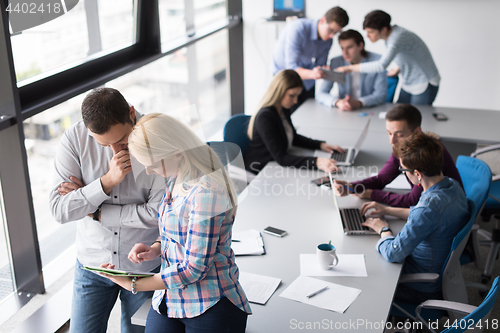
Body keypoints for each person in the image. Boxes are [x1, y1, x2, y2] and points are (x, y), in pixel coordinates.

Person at [100, 113, 251, 333]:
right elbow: (177, 231)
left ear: (178, 153)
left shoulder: (207, 192)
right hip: (171, 296)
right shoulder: (177, 176)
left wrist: (134, 283)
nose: (149, 171)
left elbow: (195, 269)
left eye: (151, 165)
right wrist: (155, 249)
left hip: (210, 301)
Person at [49, 88, 164, 333]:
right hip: (93, 264)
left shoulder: (156, 138)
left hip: (144, 267)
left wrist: (95, 210)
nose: (115, 151)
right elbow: (59, 210)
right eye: (104, 145)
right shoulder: (74, 140)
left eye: (122, 140)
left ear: (131, 114)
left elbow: (158, 213)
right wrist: (106, 182)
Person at [360, 131, 470, 303]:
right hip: (440, 271)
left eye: (403, 170)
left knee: (365, 275)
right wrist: (387, 210)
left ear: (417, 174)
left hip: (419, 286)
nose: (404, 173)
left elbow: (393, 253)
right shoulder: (452, 186)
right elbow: (427, 216)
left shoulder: (428, 208)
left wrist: (383, 229)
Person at [332, 104, 462, 207]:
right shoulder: (404, 147)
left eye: (399, 135)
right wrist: (352, 187)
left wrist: (372, 194)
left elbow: (412, 200)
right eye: (389, 133)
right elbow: (382, 179)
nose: (392, 141)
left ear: (417, 131)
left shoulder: (425, 155)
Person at [244, 69, 345, 174]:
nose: (296, 101)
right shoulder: (265, 117)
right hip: (258, 171)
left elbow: (293, 138)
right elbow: (282, 158)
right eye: (292, 95)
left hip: (273, 167)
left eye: (298, 95)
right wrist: (317, 162)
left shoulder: (283, 108)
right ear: (279, 91)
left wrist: (320, 145)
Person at [335, 10, 440, 105]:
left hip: (424, 81)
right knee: (401, 114)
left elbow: (381, 65)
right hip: (409, 81)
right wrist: (398, 70)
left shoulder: (397, 37)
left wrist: (349, 68)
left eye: (371, 32)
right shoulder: (392, 35)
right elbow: (409, 55)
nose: (367, 36)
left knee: (417, 118)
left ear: (384, 30)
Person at [272, 6, 349, 111]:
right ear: (322, 20)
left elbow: (319, 66)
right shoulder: (298, 29)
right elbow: (291, 68)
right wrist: (313, 73)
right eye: (330, 30)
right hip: (285, 80)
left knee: (306, 114)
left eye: (335, 33)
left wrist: (325, 71)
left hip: (306, 82)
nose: (331, 36)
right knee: (286, 116)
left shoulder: (328, 40)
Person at [316, 29, 387, 110]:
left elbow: (381, 95)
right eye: (342, 48)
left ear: (360, 46)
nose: (345, 53)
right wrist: (338, 102)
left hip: (368, 108)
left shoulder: (377, 61)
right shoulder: (336, 62)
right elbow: (321, 93)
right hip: (344, 110)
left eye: (349, 47)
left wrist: (358, 103)